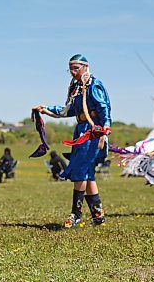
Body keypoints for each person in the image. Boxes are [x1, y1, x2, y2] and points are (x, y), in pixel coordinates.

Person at [33, 54, 111, 228]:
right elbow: (67, 110)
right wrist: (45, 109)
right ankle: (98, 215)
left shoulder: (94, 85)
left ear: (86, 67)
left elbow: (103, 106)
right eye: (71, 70)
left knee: (80, 172)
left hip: (93, 132)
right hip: (81, 130)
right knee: (87, 173)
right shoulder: (76, 88)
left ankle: (76, 214)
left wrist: (105, 128)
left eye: (76, 69)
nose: (73, 72)